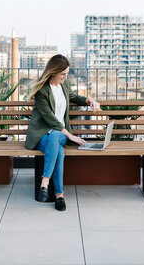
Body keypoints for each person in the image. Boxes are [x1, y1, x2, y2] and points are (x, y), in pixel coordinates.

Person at [25, 54, 100, 211]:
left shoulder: (64, 85)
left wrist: (90, 101)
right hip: (42, 135)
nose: (66, 77)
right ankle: (59, 196)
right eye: (63, 74)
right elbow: (51, 119)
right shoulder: (42, 91)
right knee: (58, 150)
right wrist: (70, 135)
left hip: (58, 135)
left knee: (56, 137)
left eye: (67, 73)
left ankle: (45, 182)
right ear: (53, 72)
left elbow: (75, 97)